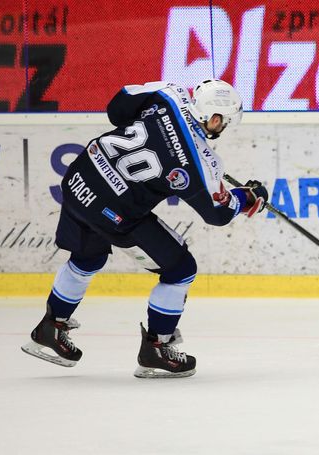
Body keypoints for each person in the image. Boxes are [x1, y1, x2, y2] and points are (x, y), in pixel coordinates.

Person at [21, 79, 268, 378]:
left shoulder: (169, 94)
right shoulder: (202, 162)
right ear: (214, 119)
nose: (222, 129)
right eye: (224, 123)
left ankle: (51, 327)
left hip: (80, 179)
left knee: (88, 258)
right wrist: (248, 197)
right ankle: (157, 348)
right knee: (181, 269)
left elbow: (117, 109)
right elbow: (217, 213)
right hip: (113, 211)